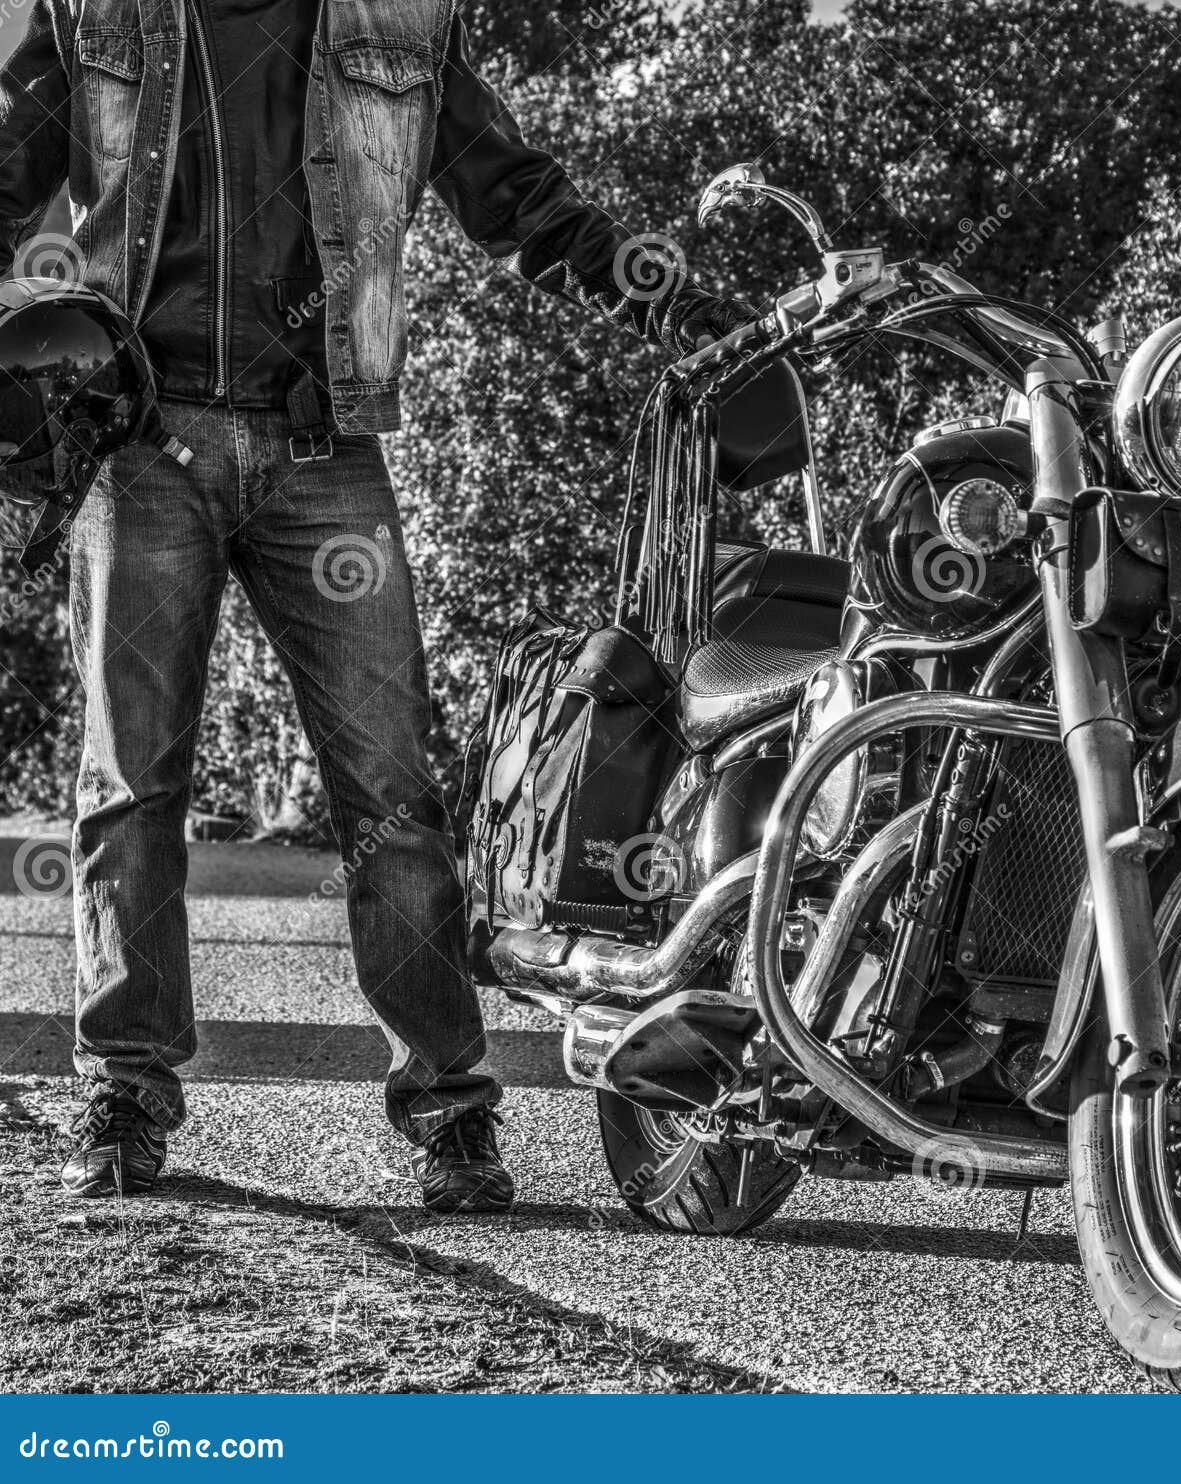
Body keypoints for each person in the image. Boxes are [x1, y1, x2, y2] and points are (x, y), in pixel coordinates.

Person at [0, 0, 747, 1210]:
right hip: (139, 436)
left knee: (394, 792)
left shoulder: (394, 19)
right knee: (130, 783)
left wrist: (659, 293)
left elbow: (512, 192)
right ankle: (126, 1089)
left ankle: (449, 1102)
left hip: (323, 446)